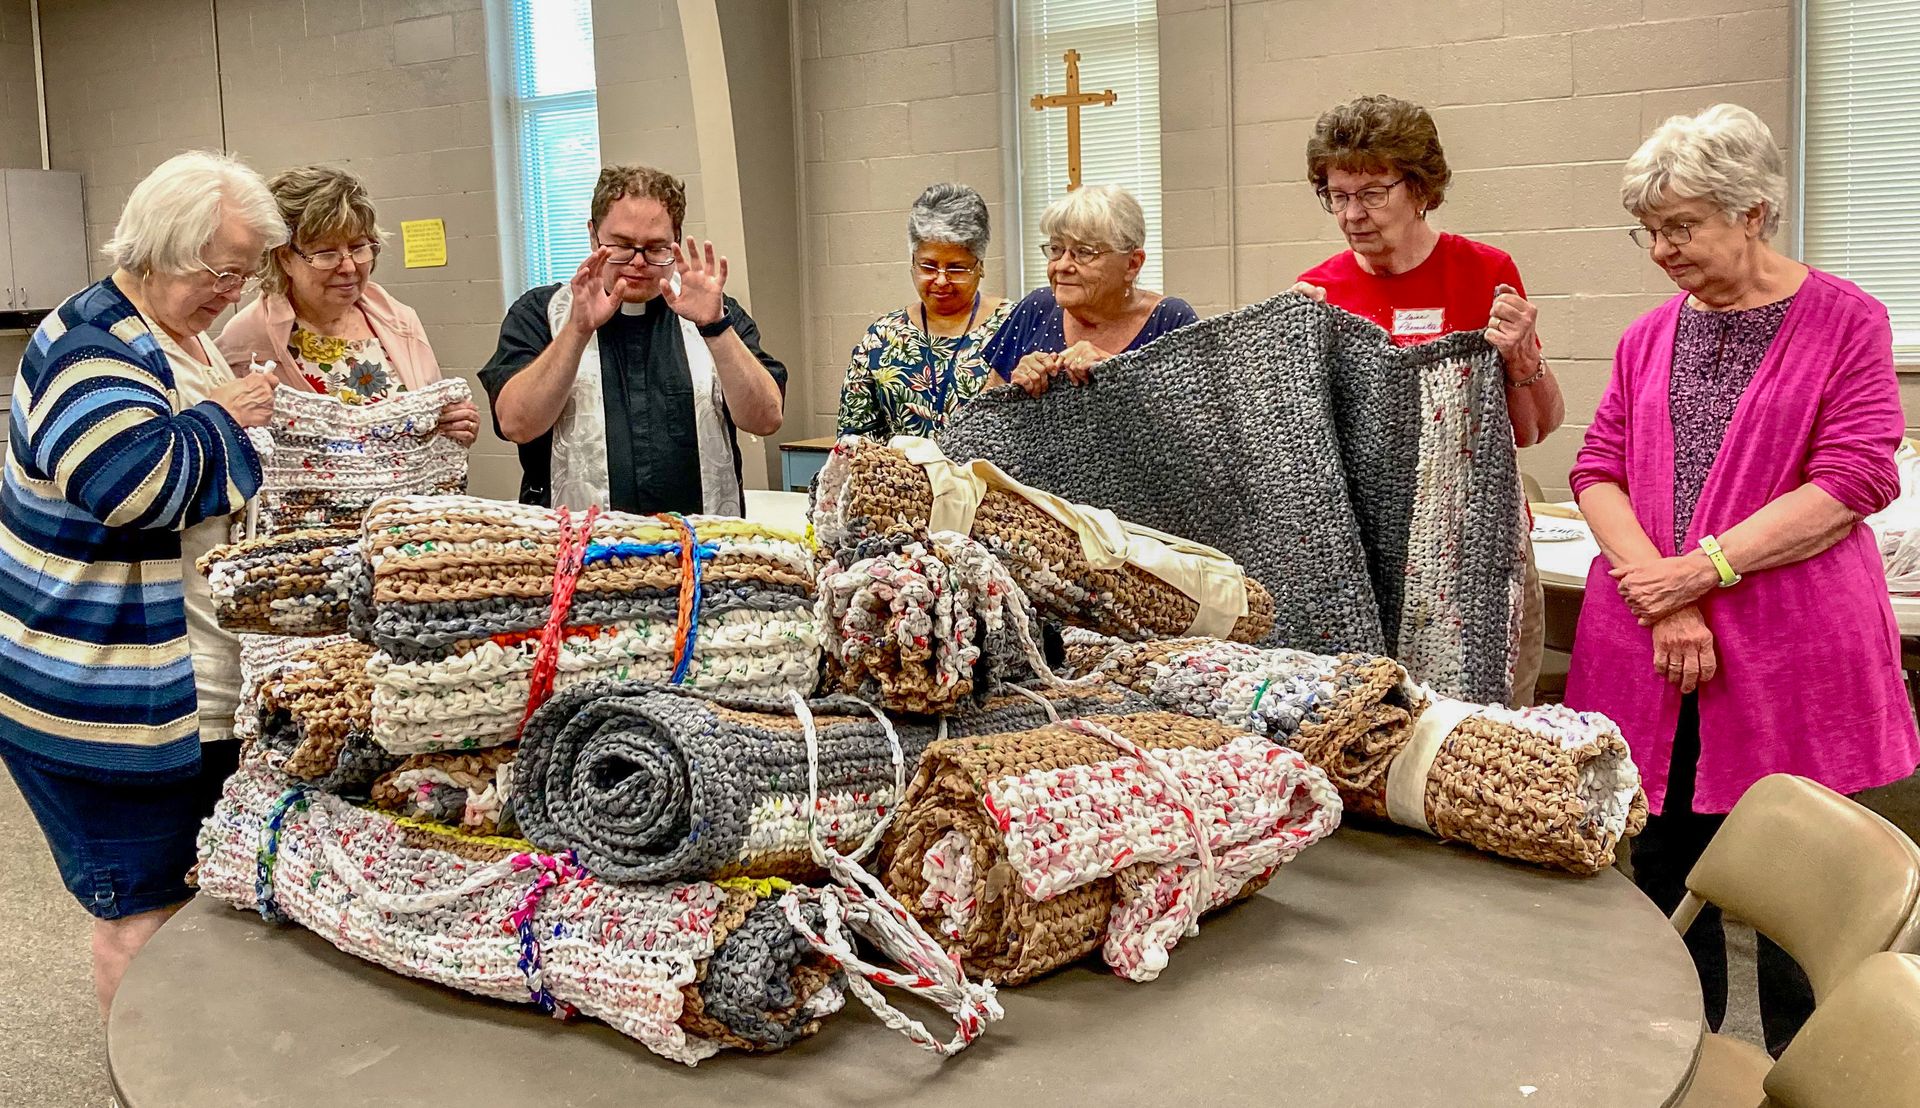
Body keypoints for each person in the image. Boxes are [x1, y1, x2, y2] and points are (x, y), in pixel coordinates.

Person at [1567, 104, 1920, 1057]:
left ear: (1753, 212)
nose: (1662, 250)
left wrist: (1698, 571)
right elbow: (1598, 468)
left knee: (1796, 889)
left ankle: (1812, 1072)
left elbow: (1855, 477)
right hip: (1653, 647)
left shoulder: (1846, 320)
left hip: (1786, 648)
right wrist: (1661, 590)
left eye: (1681, 226)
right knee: (1665, 866)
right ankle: (1683, 1057)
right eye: (1650, 230)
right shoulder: (1647, 336)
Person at [0, 151, 286, 1017]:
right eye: (219, 273)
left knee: (196, 903)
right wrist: (225, 417)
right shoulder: (89, 347)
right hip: (107, 701)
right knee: (143, 915)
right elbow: (136, 488)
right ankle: (149, 1075)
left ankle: (199, 1063)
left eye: (242, 275)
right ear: (159, 249)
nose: (230, 294)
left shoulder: (173, 331)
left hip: (185, 691)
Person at [1292, 94, 1563, 707]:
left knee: (1488, 726)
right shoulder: (1318, 292)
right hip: (1370, 557)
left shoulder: (1484, 271)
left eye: (1372, 193)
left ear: (1419, 189)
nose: (1352, 214)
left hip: (1480, 546)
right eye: (1337, 195)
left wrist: (1523, 358)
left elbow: (1533, 429)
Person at [479, 164, 785, 515]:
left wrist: (716, 328)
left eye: (655, 248)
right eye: (622, 245)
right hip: (579, 541)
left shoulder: (714, 311)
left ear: (676, 239)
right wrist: (576, 332)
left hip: (700, 539)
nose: (638, 263)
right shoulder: (541, 314)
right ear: (593, 235)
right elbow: (516, 424)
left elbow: (766, 419)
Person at [217, 164, 479, 444]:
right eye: (326, 253)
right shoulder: (246, 342)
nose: (349, 267)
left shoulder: (399, 320)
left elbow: (434, 418)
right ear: (284, 257)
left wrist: (455, 424)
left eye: (358, 247)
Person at [983, 184, 1197, 396]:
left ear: (1132, 264)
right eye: (1056, 249)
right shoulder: (1037, 307)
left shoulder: (1170, 320)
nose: (1062, 265)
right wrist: (1015, 388)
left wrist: (1116, 371)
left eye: (1084, 252)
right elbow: (984, 411)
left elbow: (1198, 411)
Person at [837, 183, 1011, 439]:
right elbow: (853, 437)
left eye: (956, 268)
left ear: (980, 265)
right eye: (928, 266)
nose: (941, 280)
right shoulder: (882, 338)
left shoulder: (1013, 326)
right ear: (912, 262)